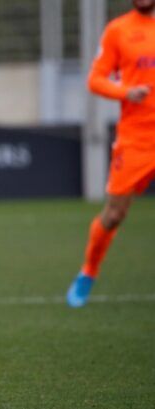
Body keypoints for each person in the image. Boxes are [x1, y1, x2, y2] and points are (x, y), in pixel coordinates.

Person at [67, 0, 155, 308]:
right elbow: (95, 79)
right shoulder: (119, 30)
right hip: (137, 138)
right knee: (115, 214)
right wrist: (125, 92)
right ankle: (88, 270)